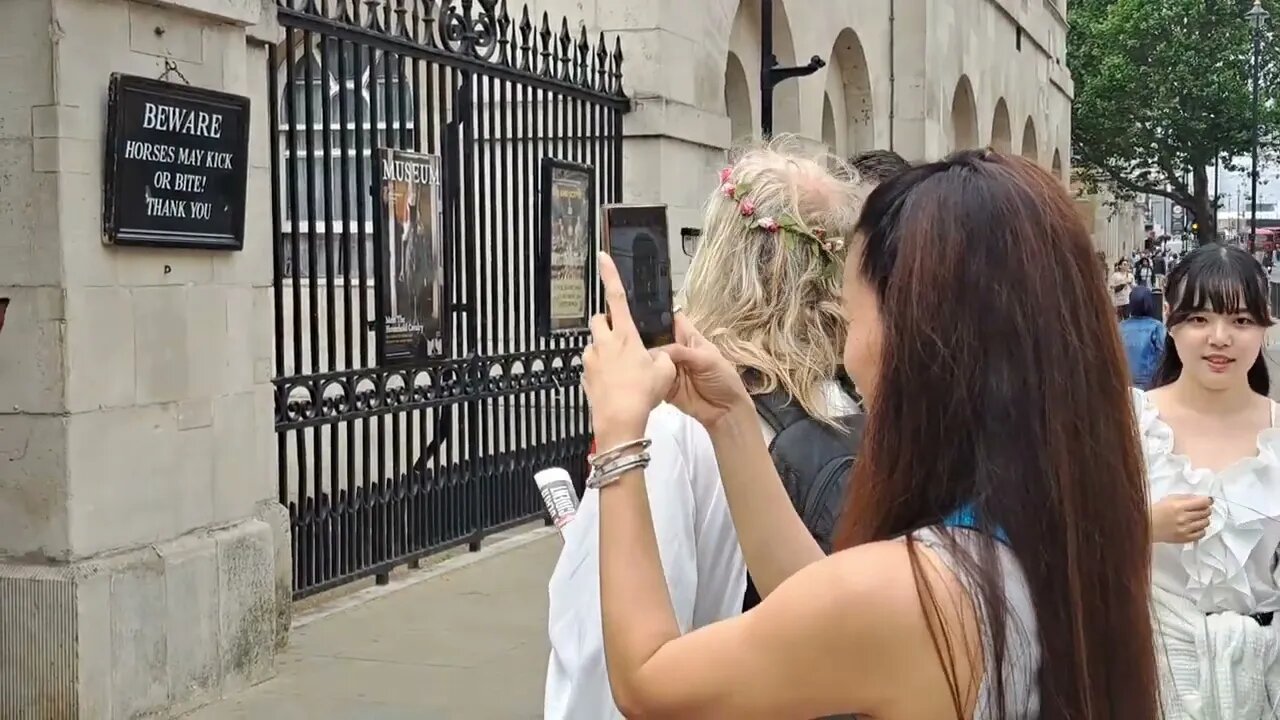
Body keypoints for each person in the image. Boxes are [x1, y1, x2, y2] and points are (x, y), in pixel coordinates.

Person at [579, 150, 1160, 718]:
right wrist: (730, 419)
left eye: (849, 318)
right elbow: (819, 596)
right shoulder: (1052, 526)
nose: (845, 350)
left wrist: (620, 437)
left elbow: (649, 681)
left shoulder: (911, 595)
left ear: (914, 337)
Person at [543, 139, 865, 720]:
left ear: (719, 256)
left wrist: (619, 447)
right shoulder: (846, 403)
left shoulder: (668, 425)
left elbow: (602, 664)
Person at [1136, 243, 1280, 719]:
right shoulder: (1128, 422)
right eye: (1199, 319)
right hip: (1151, 668)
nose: (1219, 338)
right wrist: (1141, 526)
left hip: (1267, 678)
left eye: (1240, 321)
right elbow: (1055, 537)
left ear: (1264, 326)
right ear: (1169, 318)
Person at [1120, 285, 1167, 389]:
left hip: (1124, 379)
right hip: (1149, 382)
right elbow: (1164, 353)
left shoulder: (1121, 326)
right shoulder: (1156, 327)